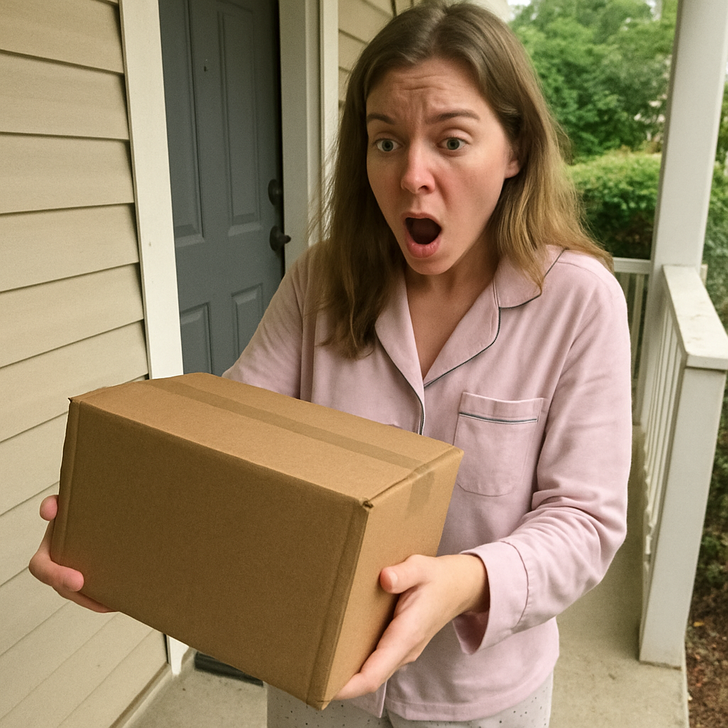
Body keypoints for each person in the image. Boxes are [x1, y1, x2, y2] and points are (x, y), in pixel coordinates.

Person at [30, 2, 633, 727]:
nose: (412, 175)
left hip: (478, 700)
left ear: (516, 150)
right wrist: (127, 538)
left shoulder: (577, 301)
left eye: (451, 141)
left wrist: (467, 579)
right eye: (386, 142)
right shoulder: (321, 281)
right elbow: (227, 439)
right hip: (314, 679)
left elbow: (584, 519)